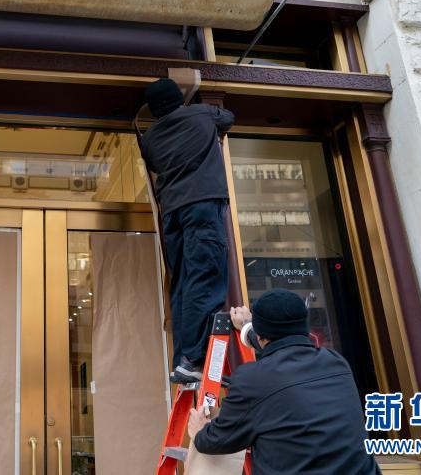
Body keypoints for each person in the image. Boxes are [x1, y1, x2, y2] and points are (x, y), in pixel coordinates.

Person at [187, 289, 380, 475]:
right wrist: (248, 327)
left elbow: (219, 440)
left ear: (260, 334)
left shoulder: (252, 379)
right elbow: (283, 347)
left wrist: (200, 432)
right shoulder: (336, 363)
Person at [138, 78, 235, 383]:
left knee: (182, 283)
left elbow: (154, 164)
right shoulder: (201, 113)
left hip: (173, 213)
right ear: (179, 98)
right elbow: (228, 118)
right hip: (202, 205)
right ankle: (193, 358)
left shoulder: (149, 138)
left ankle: (183, 358)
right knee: (204, 276)